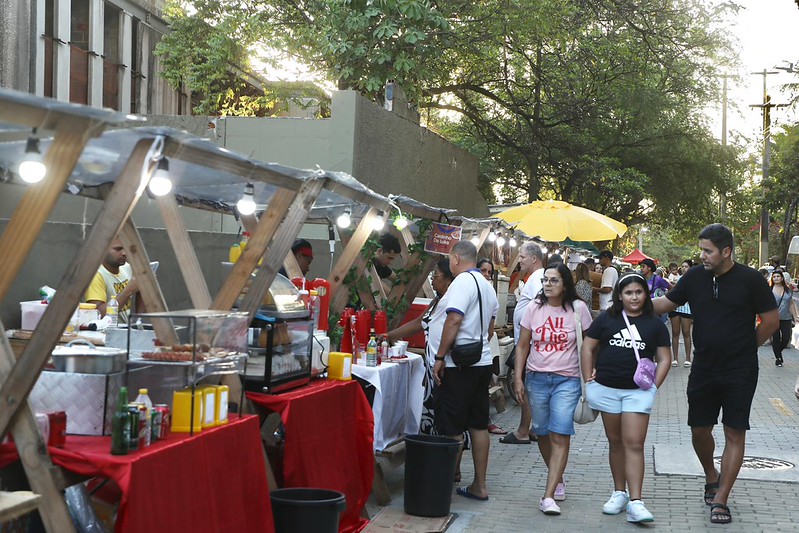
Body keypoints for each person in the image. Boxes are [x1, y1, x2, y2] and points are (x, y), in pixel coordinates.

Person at [653, 223, 779, 525]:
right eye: (702, 250)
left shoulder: (751, 280)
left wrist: (747, 346)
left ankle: (721, 497)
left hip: (740, 369)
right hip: (704, 367)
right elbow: (664, 304)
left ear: (726, 251)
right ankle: (711, 474)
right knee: (699, 429)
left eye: (708, 251)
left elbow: (772, 321)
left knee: (735, 431)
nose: (703, 255)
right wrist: (627, 304)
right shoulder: (694, 277)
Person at [581, 273, 671, 523]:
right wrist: (588, 377)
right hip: (607, 390)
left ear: (646, 295)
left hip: (638, 393)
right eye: (629, 292)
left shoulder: (654, 323)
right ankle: (618, 493)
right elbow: (588, 346)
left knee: (634, 443)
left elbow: (664, 358)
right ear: (620, 295)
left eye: (639, 292)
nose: (634, 297)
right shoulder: (606, 319)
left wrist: (654, 386)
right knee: (616, 442)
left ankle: (636, 501)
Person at [513, 263, 592, 515]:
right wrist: (518, 377)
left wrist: (591, 371)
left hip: (567, 380)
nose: (548, 284)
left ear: (565, 284)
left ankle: (547, 496)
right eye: (546, 280)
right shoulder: (534, 309)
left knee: (560, 434)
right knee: (542, 432)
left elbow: (591, 343)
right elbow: (523, 345)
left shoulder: (578, 309)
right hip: (536, 378)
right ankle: (557, 478)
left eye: (554, 280)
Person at [433, 241, 499, 501]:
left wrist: (440, 356)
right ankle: (479, 485)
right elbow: (491, 328)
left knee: (452, 426)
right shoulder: (487, 285)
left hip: (459, 365)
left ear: (457, 258)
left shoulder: (462, 282)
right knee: (478, 425)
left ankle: (445, 483)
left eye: (450, 259)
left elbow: (454, 319)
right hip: (482, 361)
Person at [387, 258, 455, 434]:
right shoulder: (437, 301)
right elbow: (420, 322)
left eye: (436, 275)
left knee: (445, 422)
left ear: (448, 279)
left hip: (443, 367)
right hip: (433, 365)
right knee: (432, 418)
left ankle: (444, 458)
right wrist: (389, 335)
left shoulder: (450, 301)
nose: (432, 279)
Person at [502, 241, 546, 445]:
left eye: (521, 257)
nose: (519, 261)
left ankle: (523, 430)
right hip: (527, 339)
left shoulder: (538, 278)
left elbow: (541, 305)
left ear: (534, 258)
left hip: (529, 342)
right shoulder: (535, 277)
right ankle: (534, 428)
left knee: (528, 385)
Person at [476, 258, 506, 436]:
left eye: (489, 272)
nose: (486, 274)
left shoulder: (491, 294)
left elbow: (490, 329)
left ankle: (484, 421)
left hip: (480, 350)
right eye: (483, 270)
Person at [85, 238, 138, 324]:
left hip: (126, 330)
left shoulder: (126, 268)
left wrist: (137, 321)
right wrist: (129, 290)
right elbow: (97, 315)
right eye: (118, 249)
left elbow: (141, 289)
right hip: (106, 334)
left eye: (126, 248)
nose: (124, 253)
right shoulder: (96, 275)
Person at [769, 269, 798, 367]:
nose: (776, 278)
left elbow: (791, 304)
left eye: (778, 276)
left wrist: (796, 316)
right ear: (772, 279)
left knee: (786, 338)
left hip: (786, 318)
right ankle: (778, 358)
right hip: (773, 318)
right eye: (774, 277)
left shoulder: (788, 290)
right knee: (776, 338)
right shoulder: (769, 290)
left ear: (782, 278)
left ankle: (778, 352)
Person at [668, 259, 694, 368]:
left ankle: (688, 358)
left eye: (686, 266)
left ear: (690, 268)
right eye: (682, 266)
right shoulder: (676, 278)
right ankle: (675, 358)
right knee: (675, 332)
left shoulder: (694, 279)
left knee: (686, 332)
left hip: (687, 308)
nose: (684, 268)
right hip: (675, 308)